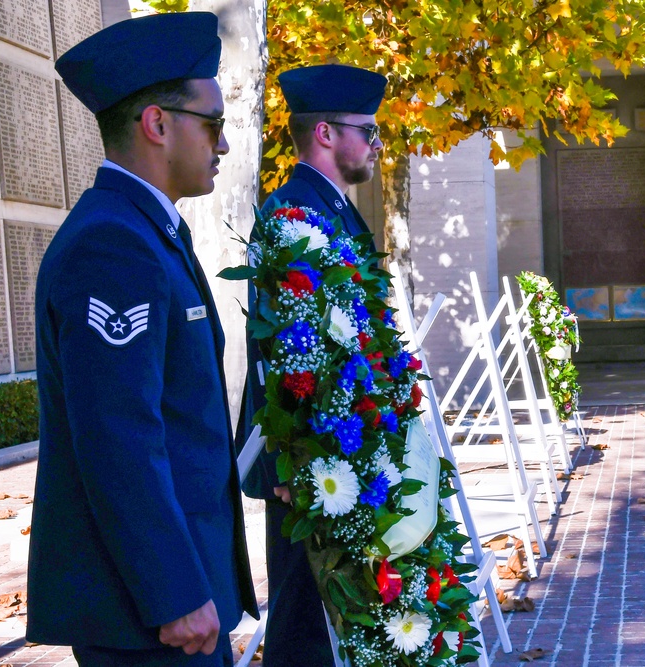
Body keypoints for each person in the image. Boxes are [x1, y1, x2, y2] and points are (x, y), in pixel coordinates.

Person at [27, 12, 257, 666]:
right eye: (213, 124)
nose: (224, 145)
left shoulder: (145, 232)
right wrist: (174, 593)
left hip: (168, 599)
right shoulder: (113, 245)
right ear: (158, 124)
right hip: (149, 613)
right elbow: (118, 437)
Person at [237, 63, 387, 666]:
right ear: (325, 134)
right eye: (367, 132)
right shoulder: (291, 214)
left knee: (340, 614)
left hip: (342, 446)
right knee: (304, 618)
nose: (376, 145)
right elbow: (275, 351)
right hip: (307, 457)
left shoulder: (334, 209)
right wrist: (282, 459)